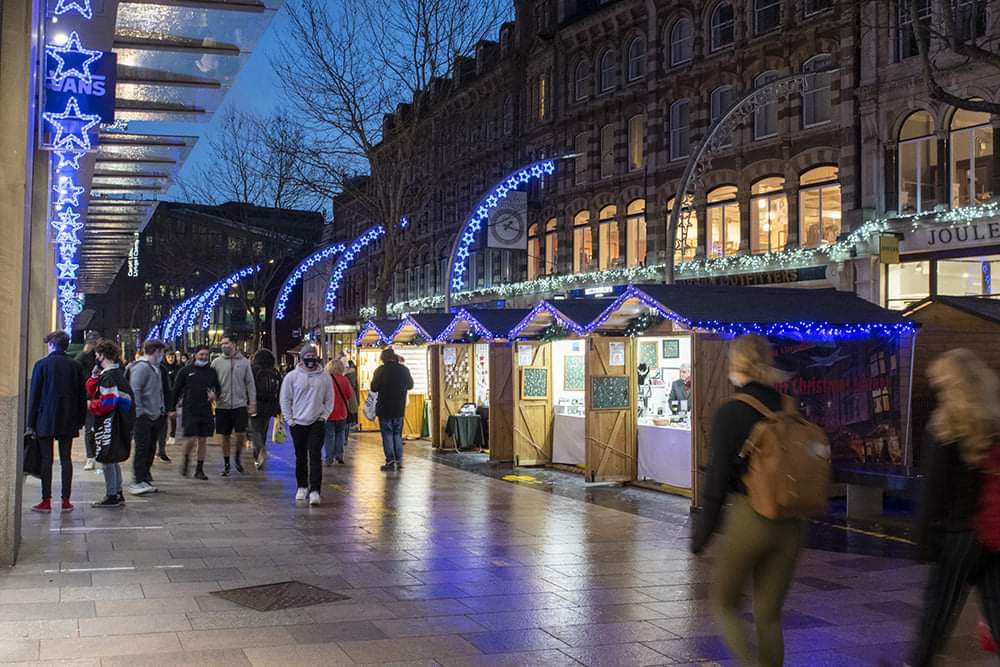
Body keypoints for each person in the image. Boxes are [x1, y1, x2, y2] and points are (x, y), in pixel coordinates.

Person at [691, 335, 805, 667]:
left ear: (737, 365)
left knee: (725, 604)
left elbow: (716, 482)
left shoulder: (731, 412)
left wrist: (702, 535)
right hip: (792, 522)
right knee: (769, 614)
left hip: (751, 517)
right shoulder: (788, 407)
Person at [909, 348, 1000, 666]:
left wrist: (922, 542)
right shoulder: (994, 424)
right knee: (997, 609)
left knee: (938, 612)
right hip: (993, 530)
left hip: (956, 537)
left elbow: (934, 494)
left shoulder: (944, 428)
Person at [26, 330, 87, 513]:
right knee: (65, 459)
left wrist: (31, 423)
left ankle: (46, 500)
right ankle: (66, 500)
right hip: (68, 419)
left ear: (51, 345)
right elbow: (80, 395)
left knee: (46, 460)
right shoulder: (75, 366)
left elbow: (34, 396)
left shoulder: (41, 365)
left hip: (45, 418)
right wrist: (81, 419)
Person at [279, 345, 333, 506]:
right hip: (298, 423)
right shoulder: (292, 377)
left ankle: (315, 490)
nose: (310, 358)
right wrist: (290, 420)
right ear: (302, 358)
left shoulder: (324, 377)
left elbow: (330, 399)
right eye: (307, 355)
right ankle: (302, 486)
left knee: (315, 454)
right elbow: (285, 399)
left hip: (317, 421)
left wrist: (324, 416)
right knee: (300, 456)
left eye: (313, 355)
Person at [87, 340, 135, 508]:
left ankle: (111, 495)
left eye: (96, 355)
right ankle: (117, 492)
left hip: (110, 424)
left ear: (101, 356)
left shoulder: (108, 377)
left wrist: (91, 405)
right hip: (119, 423)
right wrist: (94, 377)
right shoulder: (116, 374)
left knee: (107, 459)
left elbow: (107, 403)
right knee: (112, 459)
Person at [171, 345, 220, 480]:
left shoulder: (212, 372)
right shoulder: (185, 371)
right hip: (190, 409)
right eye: (201, 354)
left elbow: (218, 388)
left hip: (206, 410)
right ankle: (186, 459)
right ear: (195, 355)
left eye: (206, 355)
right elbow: (176, 390)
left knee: (203, 440)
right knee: (191, 438)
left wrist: (215, 395)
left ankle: (199, 469)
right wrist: (172, 408)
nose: (204, 357)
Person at [127, 340, 168, 496]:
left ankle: (144, 478)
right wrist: (139, 413)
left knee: (150, 448)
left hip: (155, 414)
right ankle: (138, 480)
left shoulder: (154, 368)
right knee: (142, 449)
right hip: (144, 416)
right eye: (162, 352)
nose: (162, 355)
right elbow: (135, 390)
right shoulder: (141, 368)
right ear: (156, 351)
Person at [212, 335, 256, 476]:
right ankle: (226, 463)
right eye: (222, 343)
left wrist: (252, 402)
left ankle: (237, 456)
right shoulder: (216, 362)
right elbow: (210, 381)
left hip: (239, 404)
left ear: (234, 344)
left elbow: (250, 383)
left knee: (240, 434)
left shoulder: (244, 362)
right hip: (222, 405)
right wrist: (212, 394)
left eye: (227, 343)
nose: (225, 345)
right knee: (224, 436)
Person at [370, 348, 413, 471]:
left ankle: (390, 460)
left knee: (387, 434)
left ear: (383, 358)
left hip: (384, 407)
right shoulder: (404, 370)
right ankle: (399, 460)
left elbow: (374, 388)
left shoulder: (380, 371)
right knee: (397, 434)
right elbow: (410, 385)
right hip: (399, 407)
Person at [249, 349, 282, 470]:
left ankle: (260, 450)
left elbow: (248, 386)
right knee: (263, 429)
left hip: (256, 403)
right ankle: (258, 457)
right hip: (271, 405)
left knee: (254, 429)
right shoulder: (275, 372)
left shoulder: (253, 370)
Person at [75, 331, 99, 470]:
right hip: (88, 398)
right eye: (90, 342)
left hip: (100, 397)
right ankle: (91, 457)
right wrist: (84, 352)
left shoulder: (99, 356)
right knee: (89, 429)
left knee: (98, 428)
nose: (92, 345)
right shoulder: (82, 357)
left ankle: (97, 454)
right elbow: (76, 365)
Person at [324, 358, 355, 466]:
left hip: (328, 413)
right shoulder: (344, 379)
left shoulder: (326, 380)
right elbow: (349, 395)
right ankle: (339, 455)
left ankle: (329, 458)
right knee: (340, 435)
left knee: (329, 436)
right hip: (342, 413)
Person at [162, 350, 183, 446]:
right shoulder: (162, 367)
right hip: (162, 395)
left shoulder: (178, 368)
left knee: (172, 416)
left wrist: (180, 395)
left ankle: (172, 435)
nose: (170, 359)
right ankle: (162, 436)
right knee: (163, 417)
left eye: (172, 357)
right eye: (169, 357)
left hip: (173, 395)